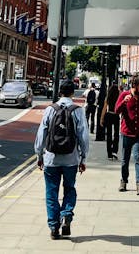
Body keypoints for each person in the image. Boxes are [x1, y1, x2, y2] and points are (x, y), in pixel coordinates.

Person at [34, 81, 90, 240]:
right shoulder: (78, 111)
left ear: (59, 93)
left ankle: (53, 226)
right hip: (71, 158)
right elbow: (83, 136)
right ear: (73, 93)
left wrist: (39, 155)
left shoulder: (50, 110)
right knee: (69, 188)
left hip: (51, 158)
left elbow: (41, 134)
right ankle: (66, 215)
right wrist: (83, 158)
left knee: (51, 192)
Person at [115, 73, 139, 195]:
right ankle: (123, 181)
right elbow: (116, 110)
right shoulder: (124, 95)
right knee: (125, 159)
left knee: (138, 158)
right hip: (126, 132)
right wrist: (123, 102)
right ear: (135, 85)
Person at [100, 82, 120, 160]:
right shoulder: (119, 97)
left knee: (109, 134)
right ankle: (115, 150)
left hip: (109, 115)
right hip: (116, 115)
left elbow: (104, 108)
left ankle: (109, 154)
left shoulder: (108, 97)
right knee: (116, 134)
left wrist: (101, 118)